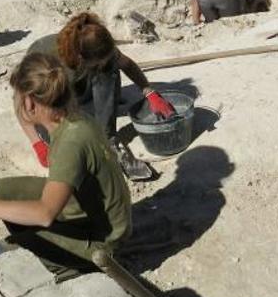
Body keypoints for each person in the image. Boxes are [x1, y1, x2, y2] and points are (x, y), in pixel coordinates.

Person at [0, 52, 131, 275]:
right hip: (96, 215)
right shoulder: (74, 119)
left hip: (103, 243)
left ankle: (69, 270)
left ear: (30, 104)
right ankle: (46, 244)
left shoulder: (70, 142)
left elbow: (45, 213)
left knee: (18, 250)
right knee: (2, 191)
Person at [27, 13, 175, 179]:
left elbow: (127, 64)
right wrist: (38, 143)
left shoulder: (96, 44)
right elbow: (23, 105)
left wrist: (150, 92)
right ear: (80, 57)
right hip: (55, 102)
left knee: (109, 69)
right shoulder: (48, 65)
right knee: (71, 141)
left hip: (82, 92)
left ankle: (109, 138)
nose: (106, 62)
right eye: (100, 61)